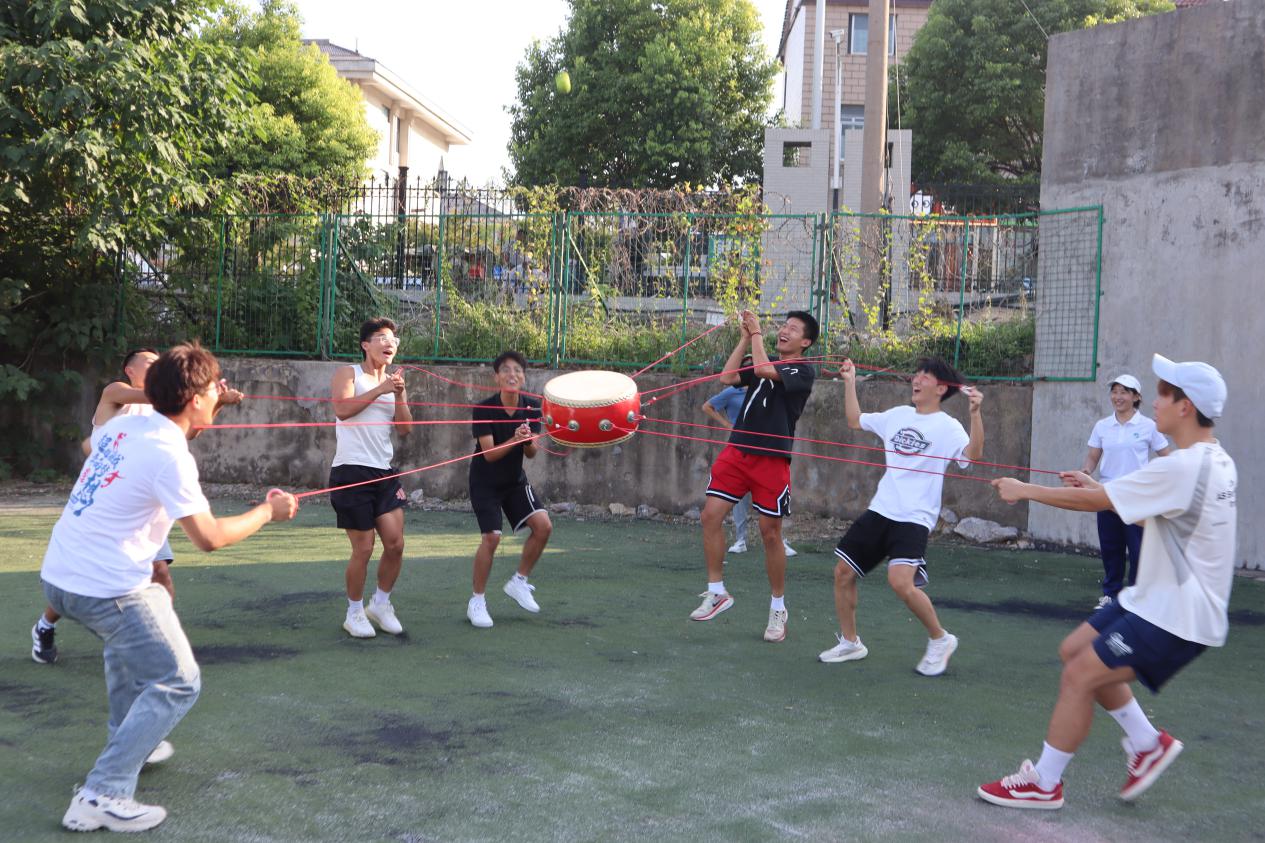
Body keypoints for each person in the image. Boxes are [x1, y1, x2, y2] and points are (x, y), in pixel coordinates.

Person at [42, 342, 298, 832]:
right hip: (106, 588)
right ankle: (102, 793)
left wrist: (206, 404)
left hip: (58, 578)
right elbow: (209, 538)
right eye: (213, 389)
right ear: (195, 398)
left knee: (130, 639)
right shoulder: (168, 453)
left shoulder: (123, 426)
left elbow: (168, 431)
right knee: (179, 679)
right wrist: (269, 511)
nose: (218, 395)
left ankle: (129, 740)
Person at [979, 354, 1233, 811]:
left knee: (1080, 674)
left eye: (1164, 394)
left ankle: (1045, 782)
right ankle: (1147, 743)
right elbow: (1140, 503)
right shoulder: (1212, 460)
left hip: (1178, 613)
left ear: (1186, 407)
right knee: (1074, 650)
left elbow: (1102, 503)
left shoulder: (1182, 467)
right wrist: (1093, 486)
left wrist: (1025, 490)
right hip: (1153, 598)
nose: (1154, 401)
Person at [31, 348, 243, 664]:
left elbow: (191, 428)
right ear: (130, 369)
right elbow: (172, 401)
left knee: (160, 573)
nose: (156, 364)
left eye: (160, 362)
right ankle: (46, 624)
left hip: (143, 502)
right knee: (75, 583)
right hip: (110, 498)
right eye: (150, 361)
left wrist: (215, 402)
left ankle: (160, 638)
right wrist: (199, 392)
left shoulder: (163, 411)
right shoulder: (118, 392)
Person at [819, 357, 984, 676]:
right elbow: (855, 420)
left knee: (900, 581)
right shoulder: (897, 415)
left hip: (915, 517)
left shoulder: (949, 427)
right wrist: (850, 382)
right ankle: (851, 642)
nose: (916, 380)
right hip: (881, 509)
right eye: (916, 375)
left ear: (941, 389)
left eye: (925, 377)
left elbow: (972, 455)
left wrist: (975, 414)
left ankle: (940, 638)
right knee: (843, 572)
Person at [691, 309, 818, 643]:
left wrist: (758, 333)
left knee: (770, 534)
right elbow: (727, 377)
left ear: (805, 342)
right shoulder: (763, 356)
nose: (784, 331)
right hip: (737, 451)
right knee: (710, 516)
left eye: (793, 329)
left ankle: (778, 607)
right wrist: (746, 338)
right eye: (784, 326)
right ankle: (717, 591)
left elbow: (763, 370)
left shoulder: (803, 370)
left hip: (771, 459)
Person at [330, 317, 413, 638]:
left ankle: (380, 603)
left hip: (384, 472)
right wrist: (381, 389)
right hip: (351, 470)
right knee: (363, 548)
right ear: (365, 345)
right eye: (381, 337)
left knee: (395, 544)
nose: (389, 343)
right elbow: (341, 409)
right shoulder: (349, 373)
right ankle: (353, 612)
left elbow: (405, 429)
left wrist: (399, 395)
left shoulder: (394, 383)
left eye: (393, 339)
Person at [465, 350, 552, 628]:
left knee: (543, 526)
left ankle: (519, 581)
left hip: (514, 482)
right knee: (491, 538)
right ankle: (477, 601)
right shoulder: (483, 409)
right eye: (505, 370)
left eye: (517, 370)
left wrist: (526, 440)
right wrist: (515, 439)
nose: (512, 374)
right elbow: (489, 454)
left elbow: (532, 453)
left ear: (523, 377)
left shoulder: (532, 407)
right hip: (485, 482)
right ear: (497, 377)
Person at [1080, 374, 1171, 608]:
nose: (1117, 397)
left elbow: (1167, 457)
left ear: (1136, 397)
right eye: (1115, 391)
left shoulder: (1149, 426)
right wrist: (1086, 472)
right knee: (1111, 548)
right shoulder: (1102, 426)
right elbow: (1092, 457)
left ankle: (1137, 598)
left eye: (1124, 392)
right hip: (1106, 495)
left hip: (1137, 497)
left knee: (1139, 550)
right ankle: (1111, 595)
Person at [702, 384, 798, 560]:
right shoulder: (732, 391)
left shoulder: (766, 388)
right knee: (738, 499)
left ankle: (779, 541)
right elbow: (707, 406)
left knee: (773, 503)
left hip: (765, 452)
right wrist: (727, 424)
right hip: (741, 450)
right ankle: (741, 540)